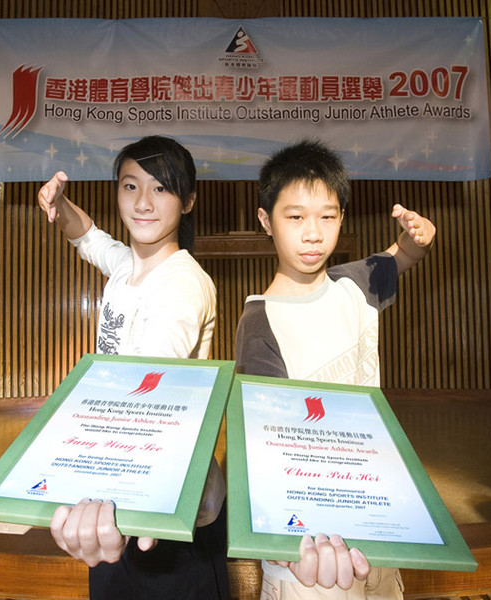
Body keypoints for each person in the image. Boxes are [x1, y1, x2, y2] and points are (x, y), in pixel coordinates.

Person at [235, 139, 436, 600]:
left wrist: (418, 236)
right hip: (307, 552)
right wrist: (287, 549)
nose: (313, 233)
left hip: (373, 523)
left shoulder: (354, 285)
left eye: (327, 216)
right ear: (266, 221)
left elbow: (405, 255)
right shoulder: (260, 320)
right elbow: (267, 448)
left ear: (342, 219)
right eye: (295, 217)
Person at [37, 136, 229, 600]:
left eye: (160, 189)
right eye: (130, 186)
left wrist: (113, 490)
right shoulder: (128, 265)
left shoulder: (181, 285)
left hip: (167, 500)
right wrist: (59, 205)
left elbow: (152, 402)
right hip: (127, 482)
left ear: (188, 201)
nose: (142, 203)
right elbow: (86, 236)